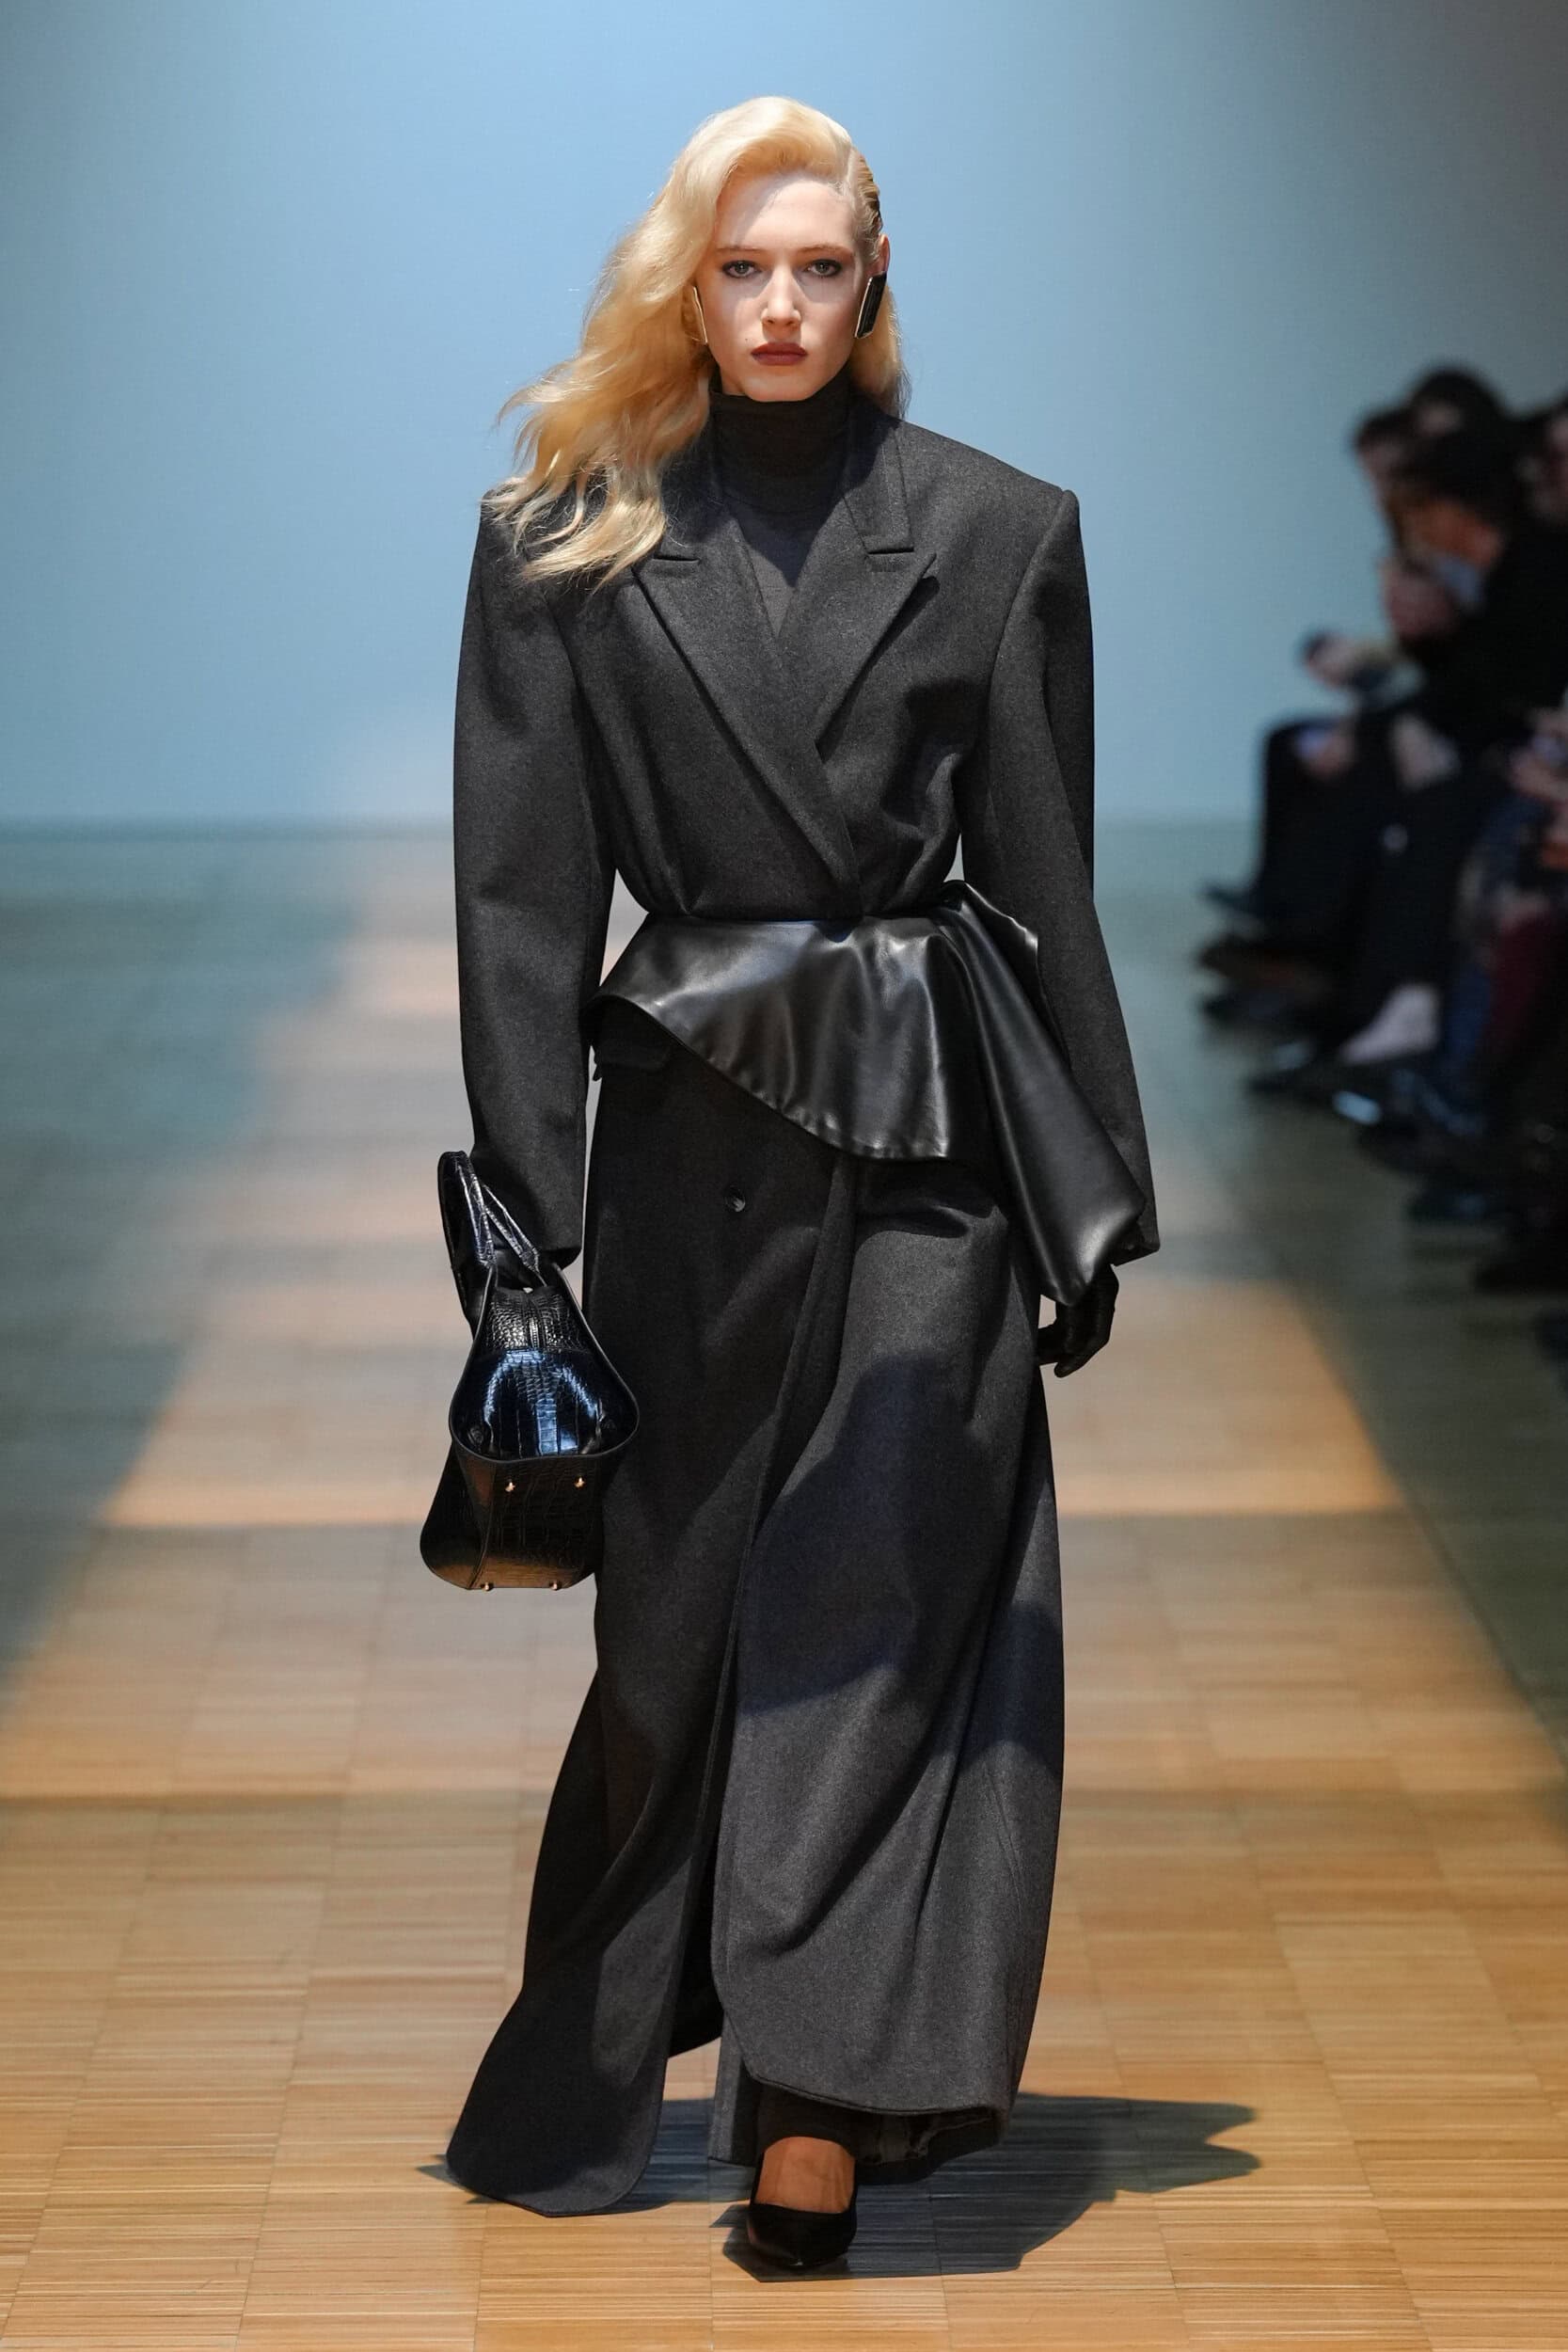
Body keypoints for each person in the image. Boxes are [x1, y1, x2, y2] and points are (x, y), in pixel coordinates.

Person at [439, 95, 1158, 2271]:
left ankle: (818, 2109)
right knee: (671, 1642)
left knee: (882, 1601)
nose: (777, 306)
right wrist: (522, 1241)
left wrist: (1094, 1182)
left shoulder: (1001, 531)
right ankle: (602, 2047)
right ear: (689, 280)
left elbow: (1044, 877)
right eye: (740, 268)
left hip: (933, 1141)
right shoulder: (563, 533)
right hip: (688, 1154)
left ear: (873, 279)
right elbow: (522, 898)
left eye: (817, 267)